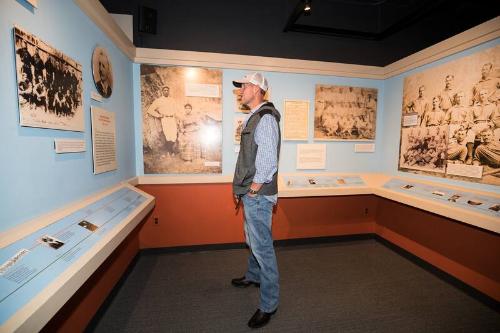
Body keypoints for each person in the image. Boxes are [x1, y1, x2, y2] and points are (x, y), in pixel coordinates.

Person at [231, 72, 281, 329]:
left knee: (263, 249)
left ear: (258, 89)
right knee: (252, 239)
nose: (241, 90)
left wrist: (252, 190)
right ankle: (253, 276)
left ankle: (269, 305)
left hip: (258, 196)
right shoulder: (255, 116)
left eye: (244, 86)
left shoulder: (266, 119)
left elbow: (267, 161)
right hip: (252, 194)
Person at [146, 85, 179, 156]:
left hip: (172, 118)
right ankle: (169, 152)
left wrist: (177, 118)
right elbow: (150, 110)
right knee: (167, 135)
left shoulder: (172, 100)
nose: (166, 91)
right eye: (165, 90)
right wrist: (159, 115)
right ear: (162, 91)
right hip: (165, 119)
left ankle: (170, 150)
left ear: (169, 91)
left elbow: (176, 109)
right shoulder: (158, 100)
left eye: (167, 90)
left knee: (173, 135)